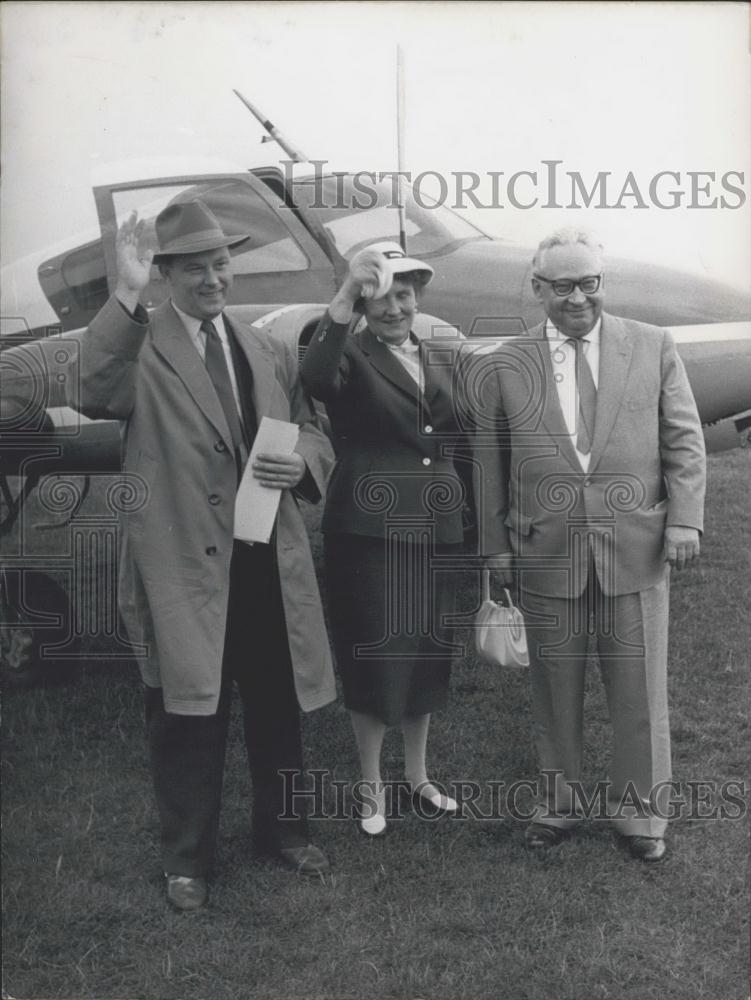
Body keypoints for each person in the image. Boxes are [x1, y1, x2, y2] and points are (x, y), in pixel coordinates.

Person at [67, 200, 336, 909]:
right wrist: (124, 292)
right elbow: (92, 390)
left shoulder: (260, 345)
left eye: (221, 263)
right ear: (166, 276)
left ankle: (285, 831)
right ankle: (187, 858)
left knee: (278, 700)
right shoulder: (139, 343)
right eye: (195, 268)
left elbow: (311, 425)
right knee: (188, 712)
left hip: (264, 559)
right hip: (184, 567)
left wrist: (302, 462)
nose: (214, 279)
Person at [474, 228, 706, 862]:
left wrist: (685, 518)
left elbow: (683, 439)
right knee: (555, 687)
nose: (578, 298)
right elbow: (489, 461)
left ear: (602, 283)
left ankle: (641, 819)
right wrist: (496, 547)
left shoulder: (652, 345)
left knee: (639, 688)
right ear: (538, 287)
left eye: (589, 284)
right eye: (563, 286)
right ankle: (559, 805)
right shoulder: (503, 362)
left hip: (636, 547)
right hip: (544, 550)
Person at [301, 241, 469, 837]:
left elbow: (458, 442)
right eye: (381, 296)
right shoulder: (349, 350)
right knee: (375, 654)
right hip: (370, 531)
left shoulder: (440, 354)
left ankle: (419, 775)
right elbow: (316, 378)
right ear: (364, 302)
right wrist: (344, 296)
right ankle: (371, 784)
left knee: (426, 651)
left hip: (436, 529)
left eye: (405, 294)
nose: (395, 308)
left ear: (417, 297)